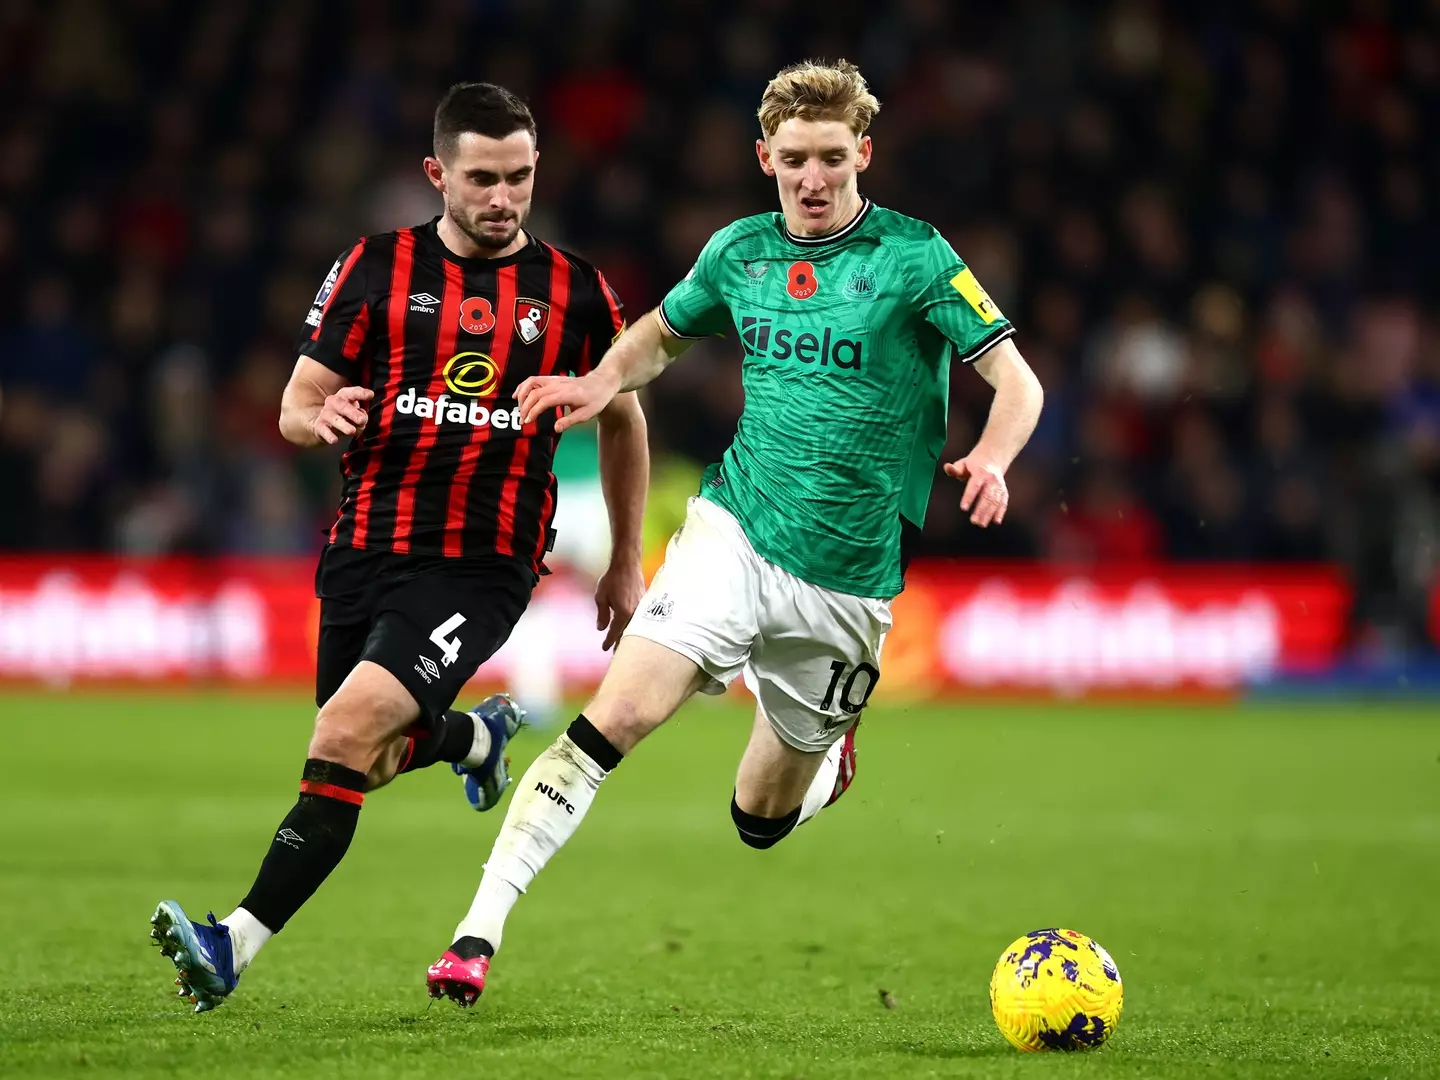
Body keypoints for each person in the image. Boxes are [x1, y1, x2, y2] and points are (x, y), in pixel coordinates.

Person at [423, 59, 1044, 1007]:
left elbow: (1018, 382)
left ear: (862, 153)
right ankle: (476, 933)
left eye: (833, 158)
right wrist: (600, 383)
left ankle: (826, 758)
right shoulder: (739, 253)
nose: (814, 178)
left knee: (758, 817)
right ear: (766, 157)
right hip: (734, 533)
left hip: (848, 586)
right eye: (794, 158)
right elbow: (658, 337)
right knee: (612, 720)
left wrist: (994, 458)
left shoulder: (917, 258)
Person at [148, 82, 649, 1013]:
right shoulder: (375, 267)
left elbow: (623, 417)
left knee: (342, 731)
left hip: (482, 562)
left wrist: (623, 560)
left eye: (521, 178)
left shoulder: (576, 291)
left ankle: (230, 946)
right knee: (360, 760)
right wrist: (315, 418)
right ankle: (471, 736)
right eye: (483, 179)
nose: (504, 199)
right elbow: (299, 400)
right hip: (363, 549)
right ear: (436, 174)